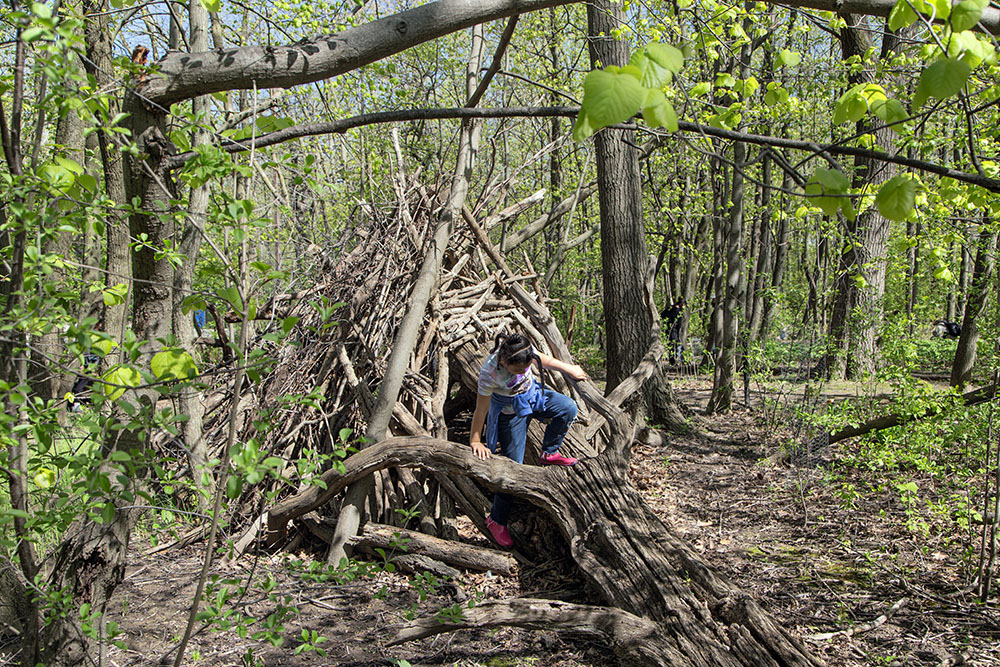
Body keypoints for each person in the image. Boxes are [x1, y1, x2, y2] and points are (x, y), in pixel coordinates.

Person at [469, 333, 587, 548]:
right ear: (504, 362)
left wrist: (570, 368)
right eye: (518, 370)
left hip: (533, 397)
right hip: (509, 412)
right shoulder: (490, 372)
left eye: (526, 368)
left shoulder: (524, 352)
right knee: (513, 468)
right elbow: (481, 408)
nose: (524, 371)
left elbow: (546, 360)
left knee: (568, 408)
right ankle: (497, 519)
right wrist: (476, 440)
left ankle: (549, 452)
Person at [660, 297, 686, 364]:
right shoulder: (678, 312)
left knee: (671, 346)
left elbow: (662, 315)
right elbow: (679, 324)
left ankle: (672, 361)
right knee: (678, 345)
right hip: (673, 331)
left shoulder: (670, 308)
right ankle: (682, 360)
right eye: (684, 306)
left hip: (668, 330)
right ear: (682, 304)